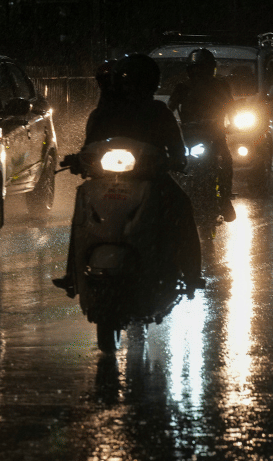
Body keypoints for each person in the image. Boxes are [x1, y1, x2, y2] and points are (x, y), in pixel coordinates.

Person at [53, 54, 203, 297]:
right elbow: (88, 147)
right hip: (106, 180)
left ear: (151, 84)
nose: (132, 88)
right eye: (128, 82)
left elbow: (177, 150)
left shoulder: (159, 112)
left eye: (138, 82)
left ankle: (192, 274)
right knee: (81, 206)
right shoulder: (102, 114)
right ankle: (73, 273)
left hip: (151, 179)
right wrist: (79, 160)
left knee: (182, 205)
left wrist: (174, 160)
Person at [167, 49, 236, 221]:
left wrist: (232, 123)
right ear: (190, 70)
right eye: (196, 69)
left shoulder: (221, 85)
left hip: (216, 136)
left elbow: (231, 106)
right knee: (173, 165)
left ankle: (225, 200)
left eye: (203, 68)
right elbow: (169, 109)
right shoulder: (182, 88)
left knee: (226, 160)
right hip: (189, 138)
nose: (200, 73)